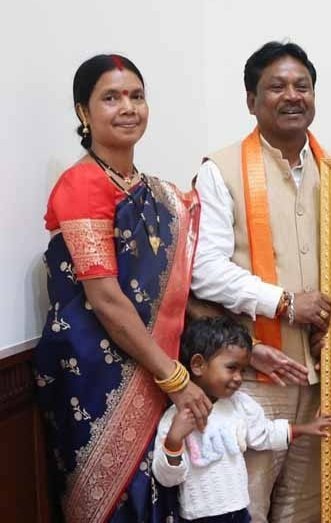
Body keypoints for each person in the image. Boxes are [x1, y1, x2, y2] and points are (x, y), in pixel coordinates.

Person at [33, 54, 212, 523]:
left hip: (153, 365)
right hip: (94, 373)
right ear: (83, 112)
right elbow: (106, 298)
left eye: (136, 96)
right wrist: (174, 379)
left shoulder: (156, 192)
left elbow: (178, 292)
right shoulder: (81, 184)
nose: (128, 107)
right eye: (111, 98)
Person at [189, 41, 331, 523]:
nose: (292, 96)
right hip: (251, 377)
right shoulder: (220, 170)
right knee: (247, 504)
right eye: (277, 87)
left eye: (302, 86)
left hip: (323, 376)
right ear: (252, 100)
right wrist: (285, 303)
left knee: (304, 509)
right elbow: (205, 269)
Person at [152, 316, 331, 522]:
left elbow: (265, 434)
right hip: (199, 517)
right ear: (198, 365)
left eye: (243, 370)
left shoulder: (239, 404)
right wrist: (174, 439)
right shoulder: (176, 418)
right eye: (232, 368)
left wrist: (306, 428)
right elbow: (167, 478)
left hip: (240, 511)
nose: (239, 378)